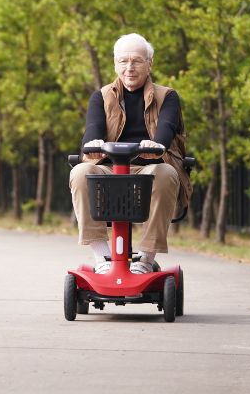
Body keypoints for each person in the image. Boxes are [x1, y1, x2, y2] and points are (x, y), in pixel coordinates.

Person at [69, 33, 192, 274]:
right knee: (81, 171)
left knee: (165, 172)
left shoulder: (167, 96)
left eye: (136, 61)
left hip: (149, 169)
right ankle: (102, 257)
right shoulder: (101, 96)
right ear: (115, 64)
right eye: (123, 61)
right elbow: (93, 127)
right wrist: (92, 142)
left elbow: (166, 127)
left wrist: (157, 144)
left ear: (150, 63)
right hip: (110, 168)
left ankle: (145, 259)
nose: (129, 68)